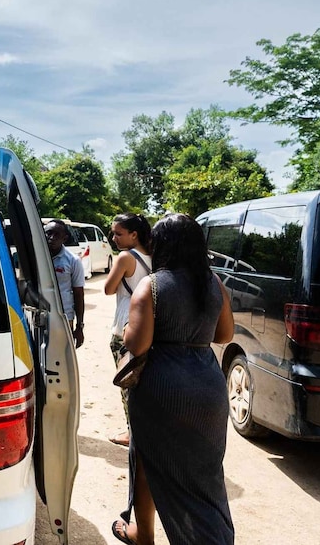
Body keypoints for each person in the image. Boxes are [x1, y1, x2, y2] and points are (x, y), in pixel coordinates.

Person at [111, 214, 236, 545]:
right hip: (208, 386)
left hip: (161, 386)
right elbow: (224, 335)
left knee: (146, 456)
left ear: (160, 245)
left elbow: (137, 345)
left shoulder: (151, 286)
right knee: (205, 470)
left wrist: (127, 330)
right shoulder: (214, 284)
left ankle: (143, 534)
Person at [103, 213, 152, 447]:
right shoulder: (155, 256)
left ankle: (133, 433)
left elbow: (108, 288)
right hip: (147, 328)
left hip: (124, 327)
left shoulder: (125, 257)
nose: (114, 238)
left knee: (126, 383)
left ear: (134, 234)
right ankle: (144, 429)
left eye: (118, 233)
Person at [45, 219, 85, 347]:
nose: (52, 238)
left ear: (65, 238)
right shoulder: (35, 257)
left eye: (57, 235)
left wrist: (79, 327)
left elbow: (79, 293)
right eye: (49, 233)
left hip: (63, 317)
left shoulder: (73, 261)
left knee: (62, 355)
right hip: (40, 315)